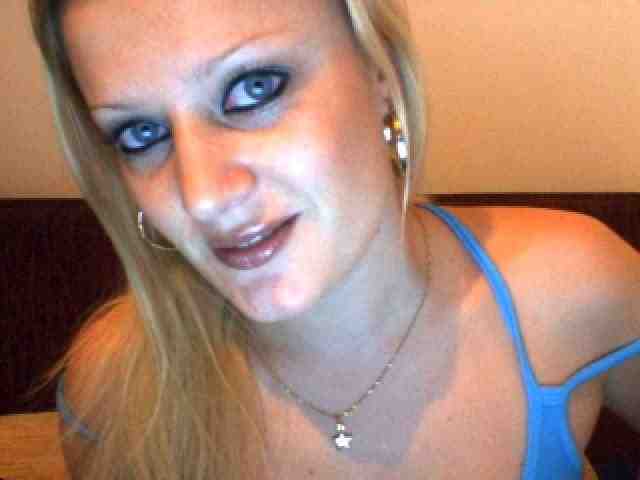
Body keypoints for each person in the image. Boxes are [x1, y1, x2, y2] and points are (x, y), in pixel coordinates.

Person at [30, 0, 640, 479]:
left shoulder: (574, 287)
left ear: (379, 72)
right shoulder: (110, 388)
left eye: (254, 88)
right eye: (140, 134)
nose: (202, 196)